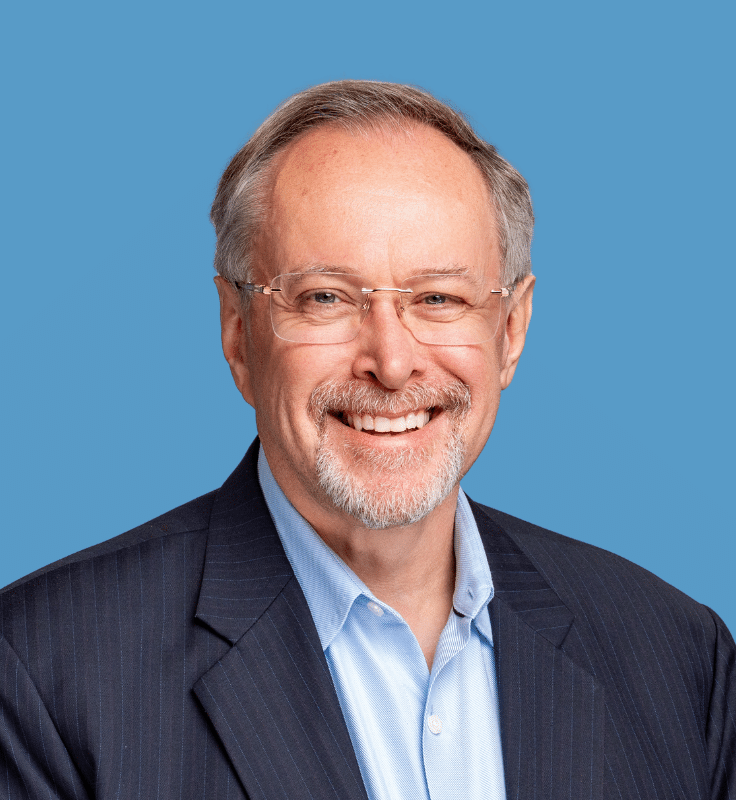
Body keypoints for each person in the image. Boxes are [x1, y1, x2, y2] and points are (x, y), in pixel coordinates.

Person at [1, 80, 733, 800]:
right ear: (237, 332)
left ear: (510, 332)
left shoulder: (676, 655)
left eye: (438, 298)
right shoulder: (42, 668)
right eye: (325, 297)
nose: (390, 361)